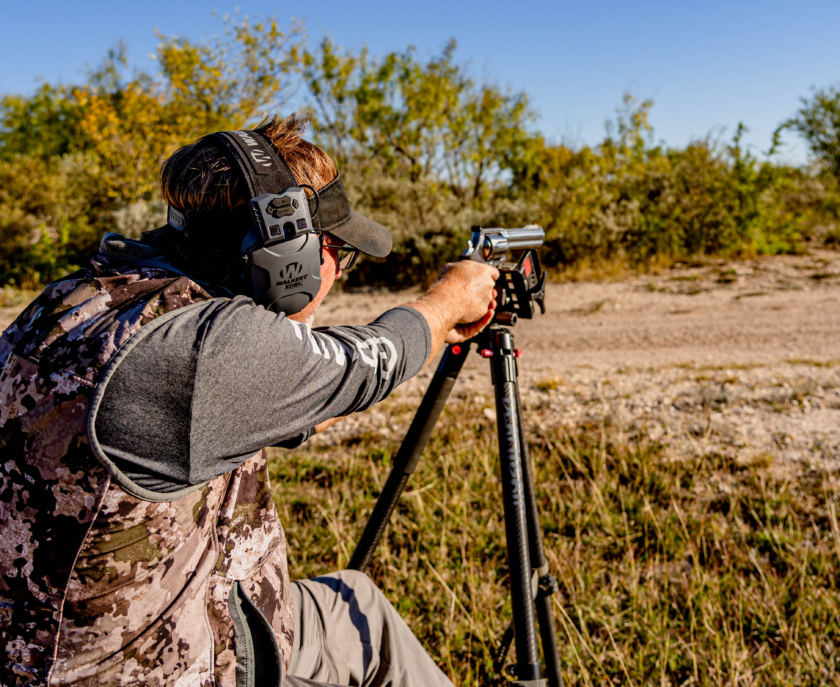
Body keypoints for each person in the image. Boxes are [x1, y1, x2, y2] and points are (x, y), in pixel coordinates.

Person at [0, 115, 498, 687]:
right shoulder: (203, 352)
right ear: (290, 259)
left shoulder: (78, 299)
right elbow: (371, 362)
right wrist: (448, 301)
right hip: (154, 668)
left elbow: (248, 402)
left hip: (171, 614)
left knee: (356, 602)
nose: (338, 273)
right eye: (339, 252)